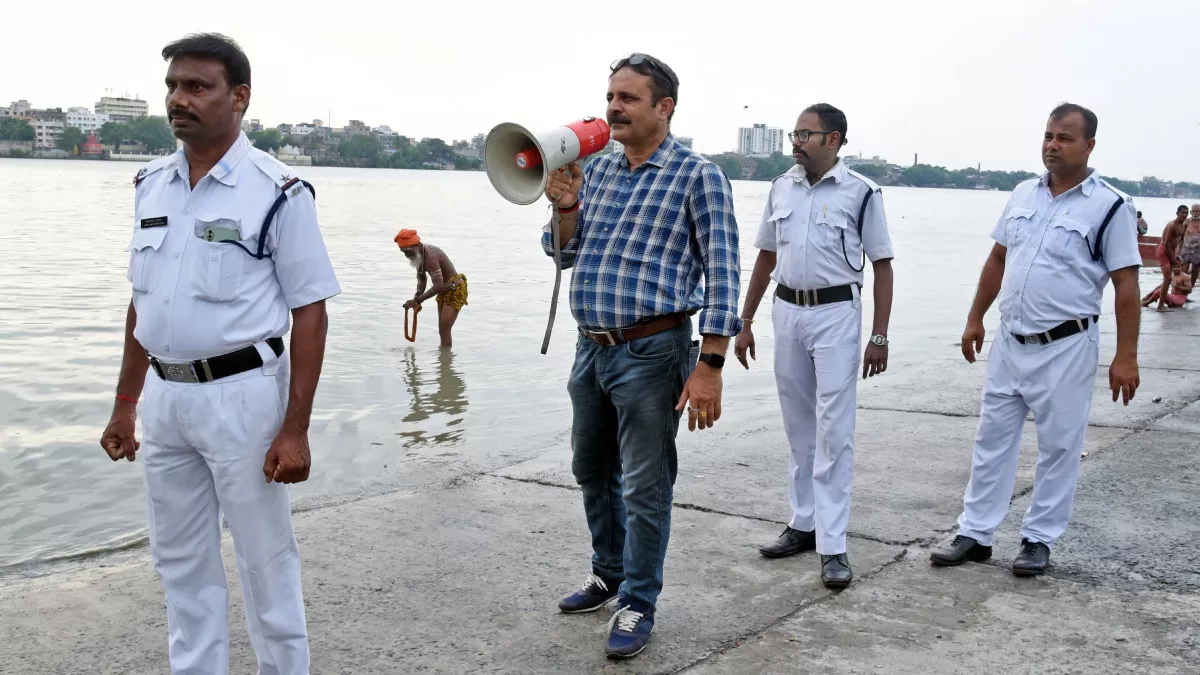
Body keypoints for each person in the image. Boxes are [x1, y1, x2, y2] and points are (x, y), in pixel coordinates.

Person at [98, 33, 340, 675]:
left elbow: (310, 310)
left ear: (240, 98)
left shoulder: (277, 191)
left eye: (197, 86)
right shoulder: (152, 184)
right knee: (179, 558)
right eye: (174, 86)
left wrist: (295, 427)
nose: (180, 99)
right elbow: (141, 304)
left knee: (265, 556)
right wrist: (126, 404)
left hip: (244, 398)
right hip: (166, 397)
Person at [539, 52, 742, 660]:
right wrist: (567, 205)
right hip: (590, 348)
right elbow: (561, 254)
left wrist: (710, 366)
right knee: (589, 468)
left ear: (664, 107)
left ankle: (640, 601)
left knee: (645, 484)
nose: (613, 107)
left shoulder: (697, 176)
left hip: (654, 352)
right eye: (610, 96)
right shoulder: (595, 169)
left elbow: (725, 274)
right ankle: (610, 575)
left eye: (628, 98)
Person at [930, 102, 1140, 577]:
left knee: (1060, 445)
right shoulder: (1023, 194)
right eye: (1048, 135)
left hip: (1067, 345)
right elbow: (998, 260)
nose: (1052, 145)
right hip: (1010, 341)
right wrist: (974, 318)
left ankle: (1038, 539)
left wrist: (1126, 355)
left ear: (1089, 146)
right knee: (992, 439)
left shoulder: (1110, 206)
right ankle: (976, 533)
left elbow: (1127, 283)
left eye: (1065, 138)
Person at [733, 103, 894, 589]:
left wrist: (879, 335)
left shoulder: (862, 193)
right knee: (798, 425)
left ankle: (834, 544)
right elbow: (766, 254)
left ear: (835, 139)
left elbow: (882, 264)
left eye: (807, 133)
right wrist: (745, 321)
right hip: (788, 312)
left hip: (836, 315)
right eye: (794, 133)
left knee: (834, 430)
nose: (797, 141)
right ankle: (803, 523)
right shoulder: (782, 187)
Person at [395, 229, 466, 348]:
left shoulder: (430, 256)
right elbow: (422, 279)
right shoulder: (419, 254)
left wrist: (418, 300)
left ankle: (446, 361)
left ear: (415, 245)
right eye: (403, 252)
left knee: (444, 330)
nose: (407, 256)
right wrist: (416, 298)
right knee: (442, 330)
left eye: (407, 251)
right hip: (444, 291)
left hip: (455, 289)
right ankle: (444, 363)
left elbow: (438, 286)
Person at [1153, 205, 1189, 312]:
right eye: (1182, 212)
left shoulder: (1184, 225)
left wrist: (1178, 254)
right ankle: (1160, 306)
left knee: (1168, 279)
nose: (1184, 215)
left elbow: (1180, 240)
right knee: (1167, 279)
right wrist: (1172, 259)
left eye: (1186, 213)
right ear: (1177, 213)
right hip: (1164, 251)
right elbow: (1167, 244)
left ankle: (1148, 298)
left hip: (1173, 251)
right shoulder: (1172, 225)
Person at [1178, 204, 1200, 287]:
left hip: (1198, 250)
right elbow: (1181, 237)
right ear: (1190, 212)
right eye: (1194, 211)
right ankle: (1182, 289)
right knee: (1184, 270)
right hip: (1186, 248)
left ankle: (1189, 288)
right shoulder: (1186, 222)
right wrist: (1179, 251)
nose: (1195, 213)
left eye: (1197, 211)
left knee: (1195, 270)